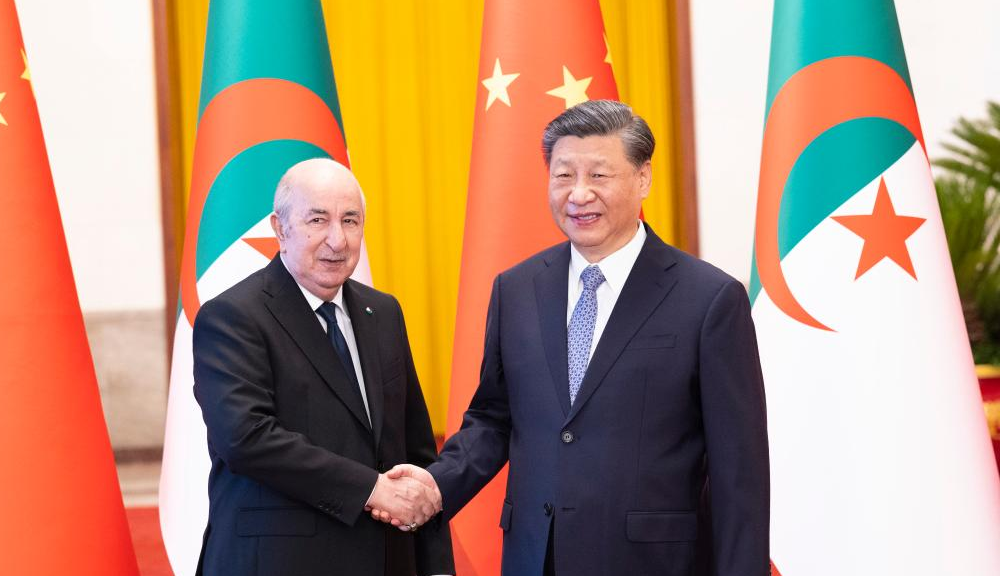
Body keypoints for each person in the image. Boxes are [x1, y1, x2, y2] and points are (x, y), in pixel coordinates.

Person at [376, 100, 770, 575]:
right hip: (535, 558)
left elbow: (739, 474)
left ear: (643, 178)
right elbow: (493, 419)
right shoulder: (516, 289)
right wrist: (436, 486)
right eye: (564, 176)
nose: (579, 194)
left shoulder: (709, 300)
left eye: (599, 176)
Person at [193, 158, 454, 576]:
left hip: (387, 560)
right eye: (318, 220)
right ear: (280, 228)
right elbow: (246, 439)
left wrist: (436, 564)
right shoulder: (233, 317)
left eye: (351, 221)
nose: (338, 240)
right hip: (282, 562)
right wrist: (372, 490)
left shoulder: (382, 311)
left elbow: (414, 448)